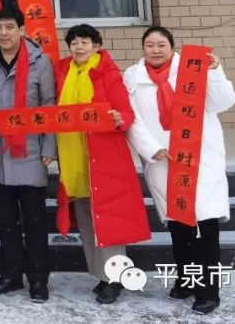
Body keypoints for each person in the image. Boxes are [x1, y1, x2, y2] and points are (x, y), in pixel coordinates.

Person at [124, 26, 235, 315]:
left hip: (199, 156)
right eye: (150, 45)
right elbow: (132, 118)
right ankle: (186, 280)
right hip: (163, 159)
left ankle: (208, 292)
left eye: (161, 44)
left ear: (172, 47)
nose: (156, 50)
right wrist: (150, 148)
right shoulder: (133, 77)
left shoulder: (192, 69)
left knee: (205, 224)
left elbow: (223, 102)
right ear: (143, 48)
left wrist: (215, 72)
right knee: (179, 225)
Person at [53, 24, 150, 305]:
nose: (79, 47)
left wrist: (120, 118)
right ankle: (101, 274)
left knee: (108, 219)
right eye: (74, 42)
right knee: (86, 220)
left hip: (105, 156)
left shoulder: (108, 73)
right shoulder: (62, 72)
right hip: (74, 156)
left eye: (85, 42)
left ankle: (115, 278)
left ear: (96, 46)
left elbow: (126, 112)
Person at [0, 6, 56, 303]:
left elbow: (48, 105)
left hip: (30, 151)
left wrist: (49, 148)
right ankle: (11, 275)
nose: (4, 33)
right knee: (6, 222)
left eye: (9, 27)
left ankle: (38, 279)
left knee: (34, 221)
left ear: (22, 30)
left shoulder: (40, 62)